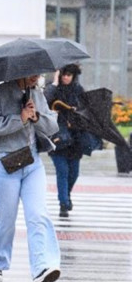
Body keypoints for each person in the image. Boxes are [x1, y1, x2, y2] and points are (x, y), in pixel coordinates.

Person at [0, 73, 61, 282]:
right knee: (7, 219)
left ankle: (42, 267)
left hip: (32, 163)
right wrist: (20, 118)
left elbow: (52, 125)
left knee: (38, 215)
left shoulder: (37, 94)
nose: (37, 77)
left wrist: (37, 118)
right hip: (5, 163)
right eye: (33, 74)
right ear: (20, 72)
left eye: (39, 73)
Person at [44, 64, 85, 217]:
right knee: (62, 171)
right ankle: (63, 203)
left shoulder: (79, 90)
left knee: (74, 173)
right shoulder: (52, 89)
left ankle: (66, 196)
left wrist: (76, 115)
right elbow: (44, 100)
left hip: (75, 138)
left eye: (70, 74)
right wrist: (54, 82)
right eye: (64, 74)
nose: (66, 77)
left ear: (74, 76)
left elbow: (86, 110)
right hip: (58, 136)